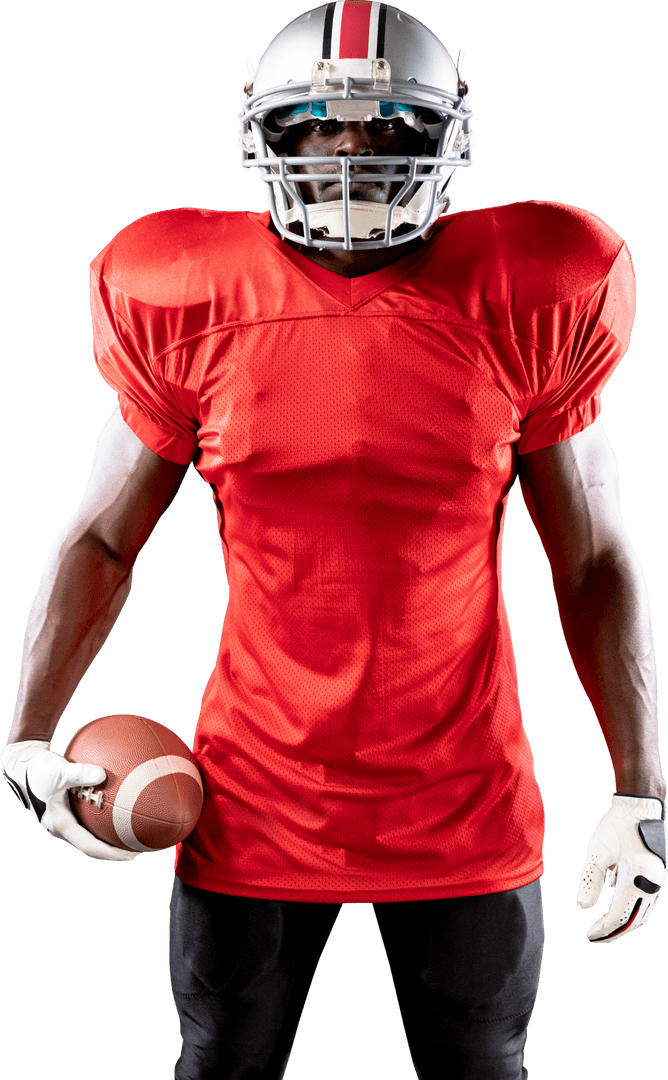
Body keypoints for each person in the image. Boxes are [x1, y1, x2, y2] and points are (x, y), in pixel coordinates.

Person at [2, 3, 666, 1079]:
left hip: (462, 797)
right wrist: (25, 732)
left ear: (446, 136)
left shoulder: (532, 288)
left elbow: (592, 558)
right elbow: (102, 538)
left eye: (384, 127)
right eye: (315, 123)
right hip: (253, 790)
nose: (349, 153)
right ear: (262, 133)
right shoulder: (181, 293)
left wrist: (638, 789)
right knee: (219, 1062)